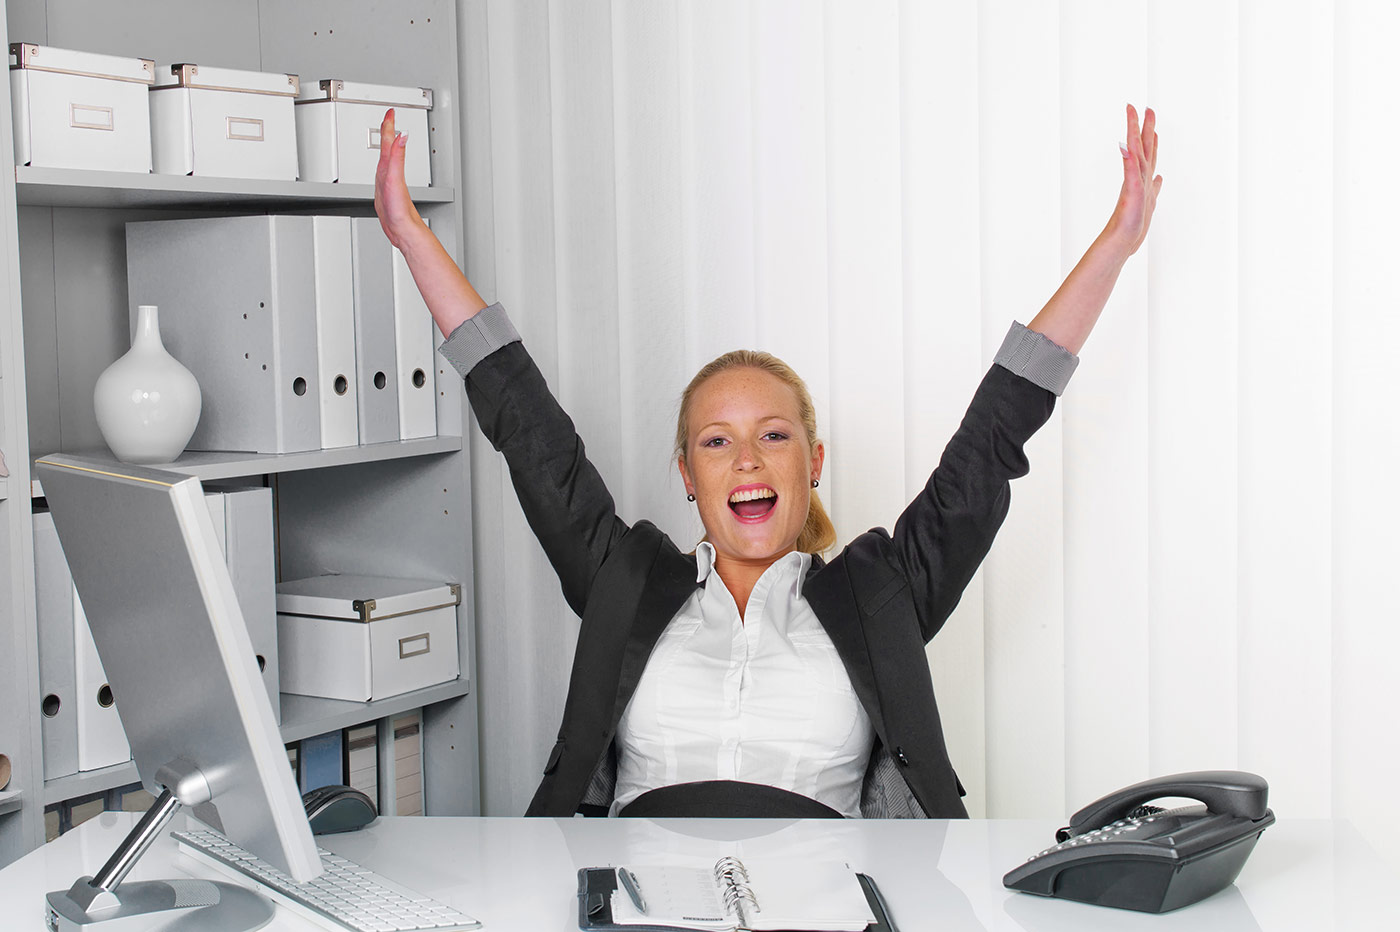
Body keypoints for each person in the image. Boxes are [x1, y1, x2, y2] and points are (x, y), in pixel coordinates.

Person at [374, 105, 1161, 818]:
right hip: (637, 902)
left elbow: (991, 440)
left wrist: (1117, 244)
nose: (747, 459)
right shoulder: (625, 580)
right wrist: (411, 235)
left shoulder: (880, 594)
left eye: (774, 436)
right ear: (688, 476)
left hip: (824, 903)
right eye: (716, 441)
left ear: (813, 461)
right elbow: (529, 430)